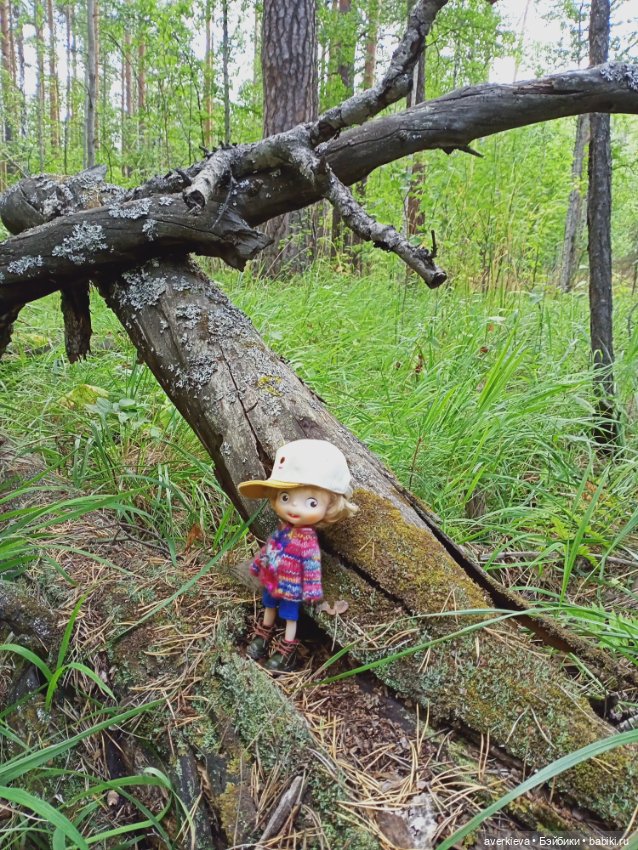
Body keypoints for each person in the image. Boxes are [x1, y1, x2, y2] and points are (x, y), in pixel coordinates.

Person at [238, 439, 358, 672]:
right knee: (269, 605)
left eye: (311, 502)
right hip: (273, 581)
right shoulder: (283, 532)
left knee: (291, 616)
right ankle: (264, 634)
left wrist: (312, 589)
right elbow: (271, 550)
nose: (294, 508)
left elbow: (311, 566)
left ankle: (287, 649)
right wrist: (259, 566)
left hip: (293, 588)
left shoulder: (307, 542)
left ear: (331, 506)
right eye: (285, 497)